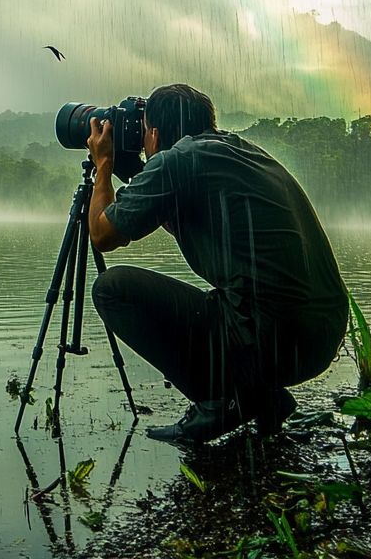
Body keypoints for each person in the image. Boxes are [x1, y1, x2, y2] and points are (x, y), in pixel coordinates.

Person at [86, 83, 348, 445]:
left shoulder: (178, 161)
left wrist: (104, 165)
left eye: (143, 130)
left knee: (112, 289)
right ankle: (261, 398)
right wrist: (135, 171)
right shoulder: (241, 152)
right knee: (234, 301)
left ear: (156, 133)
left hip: (272, 341)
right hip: (319, 338)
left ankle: (219, 402)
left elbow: (102, 235)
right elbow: (174, 202)